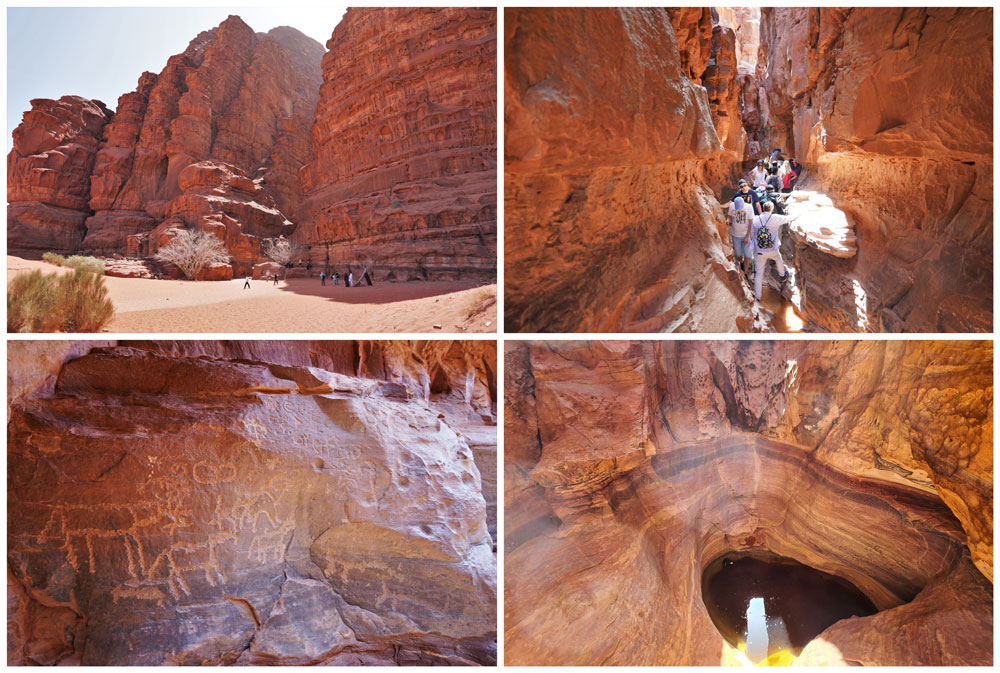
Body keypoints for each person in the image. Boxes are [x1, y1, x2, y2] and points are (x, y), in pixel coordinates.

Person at [747, 201, 798, 302]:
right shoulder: (775, 218)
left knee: (759, 274)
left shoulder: (756, 220)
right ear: (772, 209)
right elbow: (789, 218)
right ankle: (782, 275)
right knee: (778, 259)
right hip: (772, 249)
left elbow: (752, 236)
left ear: (763, 208)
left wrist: (753, 250)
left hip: (760, 251)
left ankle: (758, 297)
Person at [725, 196, 752, 275]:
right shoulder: (732, 206)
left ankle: (745, 272)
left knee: (748, 254)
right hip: (735, 235)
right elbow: (730, 217)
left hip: (745, 235)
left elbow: (750, 222)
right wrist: (728, 221)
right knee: (738, 254)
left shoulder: (749, 207)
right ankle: (741, 262)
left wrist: (747, 236)